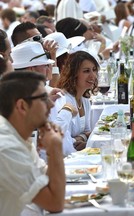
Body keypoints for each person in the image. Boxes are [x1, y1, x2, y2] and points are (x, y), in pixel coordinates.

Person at [0, 71, 65, 215]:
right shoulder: (6, 146)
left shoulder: (18, 135)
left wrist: (52, 149)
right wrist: (55, 147)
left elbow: (46, 179)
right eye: (44, 98)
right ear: (22, 106)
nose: (51, 104)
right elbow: (55, 203)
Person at [54, 51, 98, 156]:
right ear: (73, 74)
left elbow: (88, 132)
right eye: (86, 71)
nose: (93, 76)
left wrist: (81, 138)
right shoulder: (63, 99)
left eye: (94, 70)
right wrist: (77, 140)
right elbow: (62, 138)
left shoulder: (85, 100)